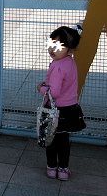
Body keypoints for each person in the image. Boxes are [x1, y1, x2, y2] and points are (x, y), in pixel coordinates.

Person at [37, 25, 86, 181]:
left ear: (69, 49)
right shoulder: (70, 63)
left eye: (58, 45)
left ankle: (52, 168)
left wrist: (41, 88)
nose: (53, 48)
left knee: (50, 139)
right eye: (52, 43)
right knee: (64, 140)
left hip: (54, 110)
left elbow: (55, 92)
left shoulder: (58, 66)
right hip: (70, 108)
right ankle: (63, 170)